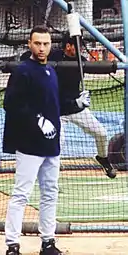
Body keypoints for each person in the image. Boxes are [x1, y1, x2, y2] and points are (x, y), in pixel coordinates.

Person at [3, 25, 63, 255]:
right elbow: (11, 103)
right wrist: (38, 120)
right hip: (29, 145)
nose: (42, 48)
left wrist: (76, 103)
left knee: (50, 193)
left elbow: (54, 104)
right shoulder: (23, 71)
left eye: (46, 43)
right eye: (37, 43)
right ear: (29, 43)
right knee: (21, 194)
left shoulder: (50, 71)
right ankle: (12, 245)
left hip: (51, 144)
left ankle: (48, 242)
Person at [49, 32, 116, 179]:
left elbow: (96, 68)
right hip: (57, 111)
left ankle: (102, 158)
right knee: (57, 144)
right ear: (68, 46)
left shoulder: (82, 61)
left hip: (76, 109)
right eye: (78, 45)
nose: (81, 49)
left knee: (102, 134)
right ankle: (52, 178)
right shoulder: (53, 58)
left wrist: (114, 66)